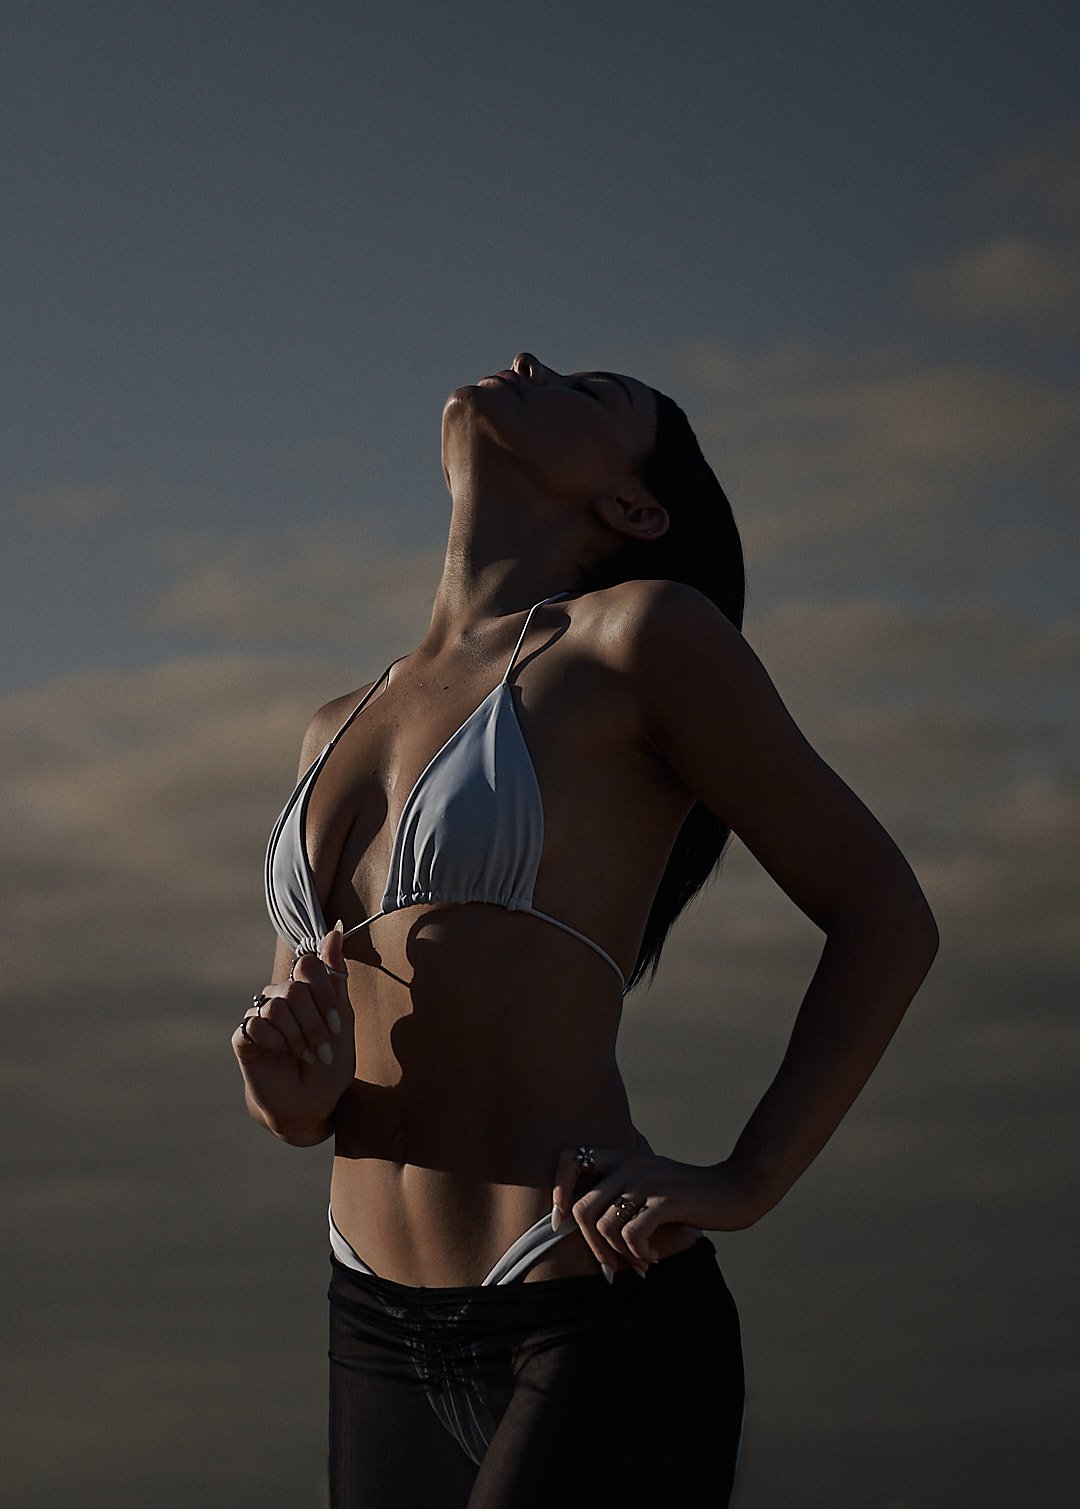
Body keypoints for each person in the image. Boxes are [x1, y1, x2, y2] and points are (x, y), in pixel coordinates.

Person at [231, 351, 940, 1507]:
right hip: (373, 1324)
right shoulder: (329, 725)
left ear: (632, 507)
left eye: (589, 390)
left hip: (588, 1313)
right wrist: (287, 1096)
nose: (524, 363)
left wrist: (749, 1177)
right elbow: (306, 1094)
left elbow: (888, 918)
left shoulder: (643, 639)